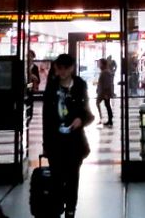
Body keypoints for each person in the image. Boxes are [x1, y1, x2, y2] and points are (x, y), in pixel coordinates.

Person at [42, 53, 95, 218]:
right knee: (57, 178)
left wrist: (81, 119)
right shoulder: (51, 87)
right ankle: (58, 206)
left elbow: (87, 112)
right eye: (59, 68)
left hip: (74, 141)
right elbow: (46, 116)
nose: (63, 71)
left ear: (72, 68)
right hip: (55, 141)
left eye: (66, 68)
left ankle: (71, 209)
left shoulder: (79, 85)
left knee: (73, 177)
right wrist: (46, 142)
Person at [96, 57, 114, 126]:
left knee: (104, 104)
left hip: (104, 92)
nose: (99, 65)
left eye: (100, 63)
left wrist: (106, 93)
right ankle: (109, 119)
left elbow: (107, 83)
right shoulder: (104, 72)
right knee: (107, 105)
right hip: (103, 92)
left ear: (103, 64)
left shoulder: (105, 72)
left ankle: (104, 118)